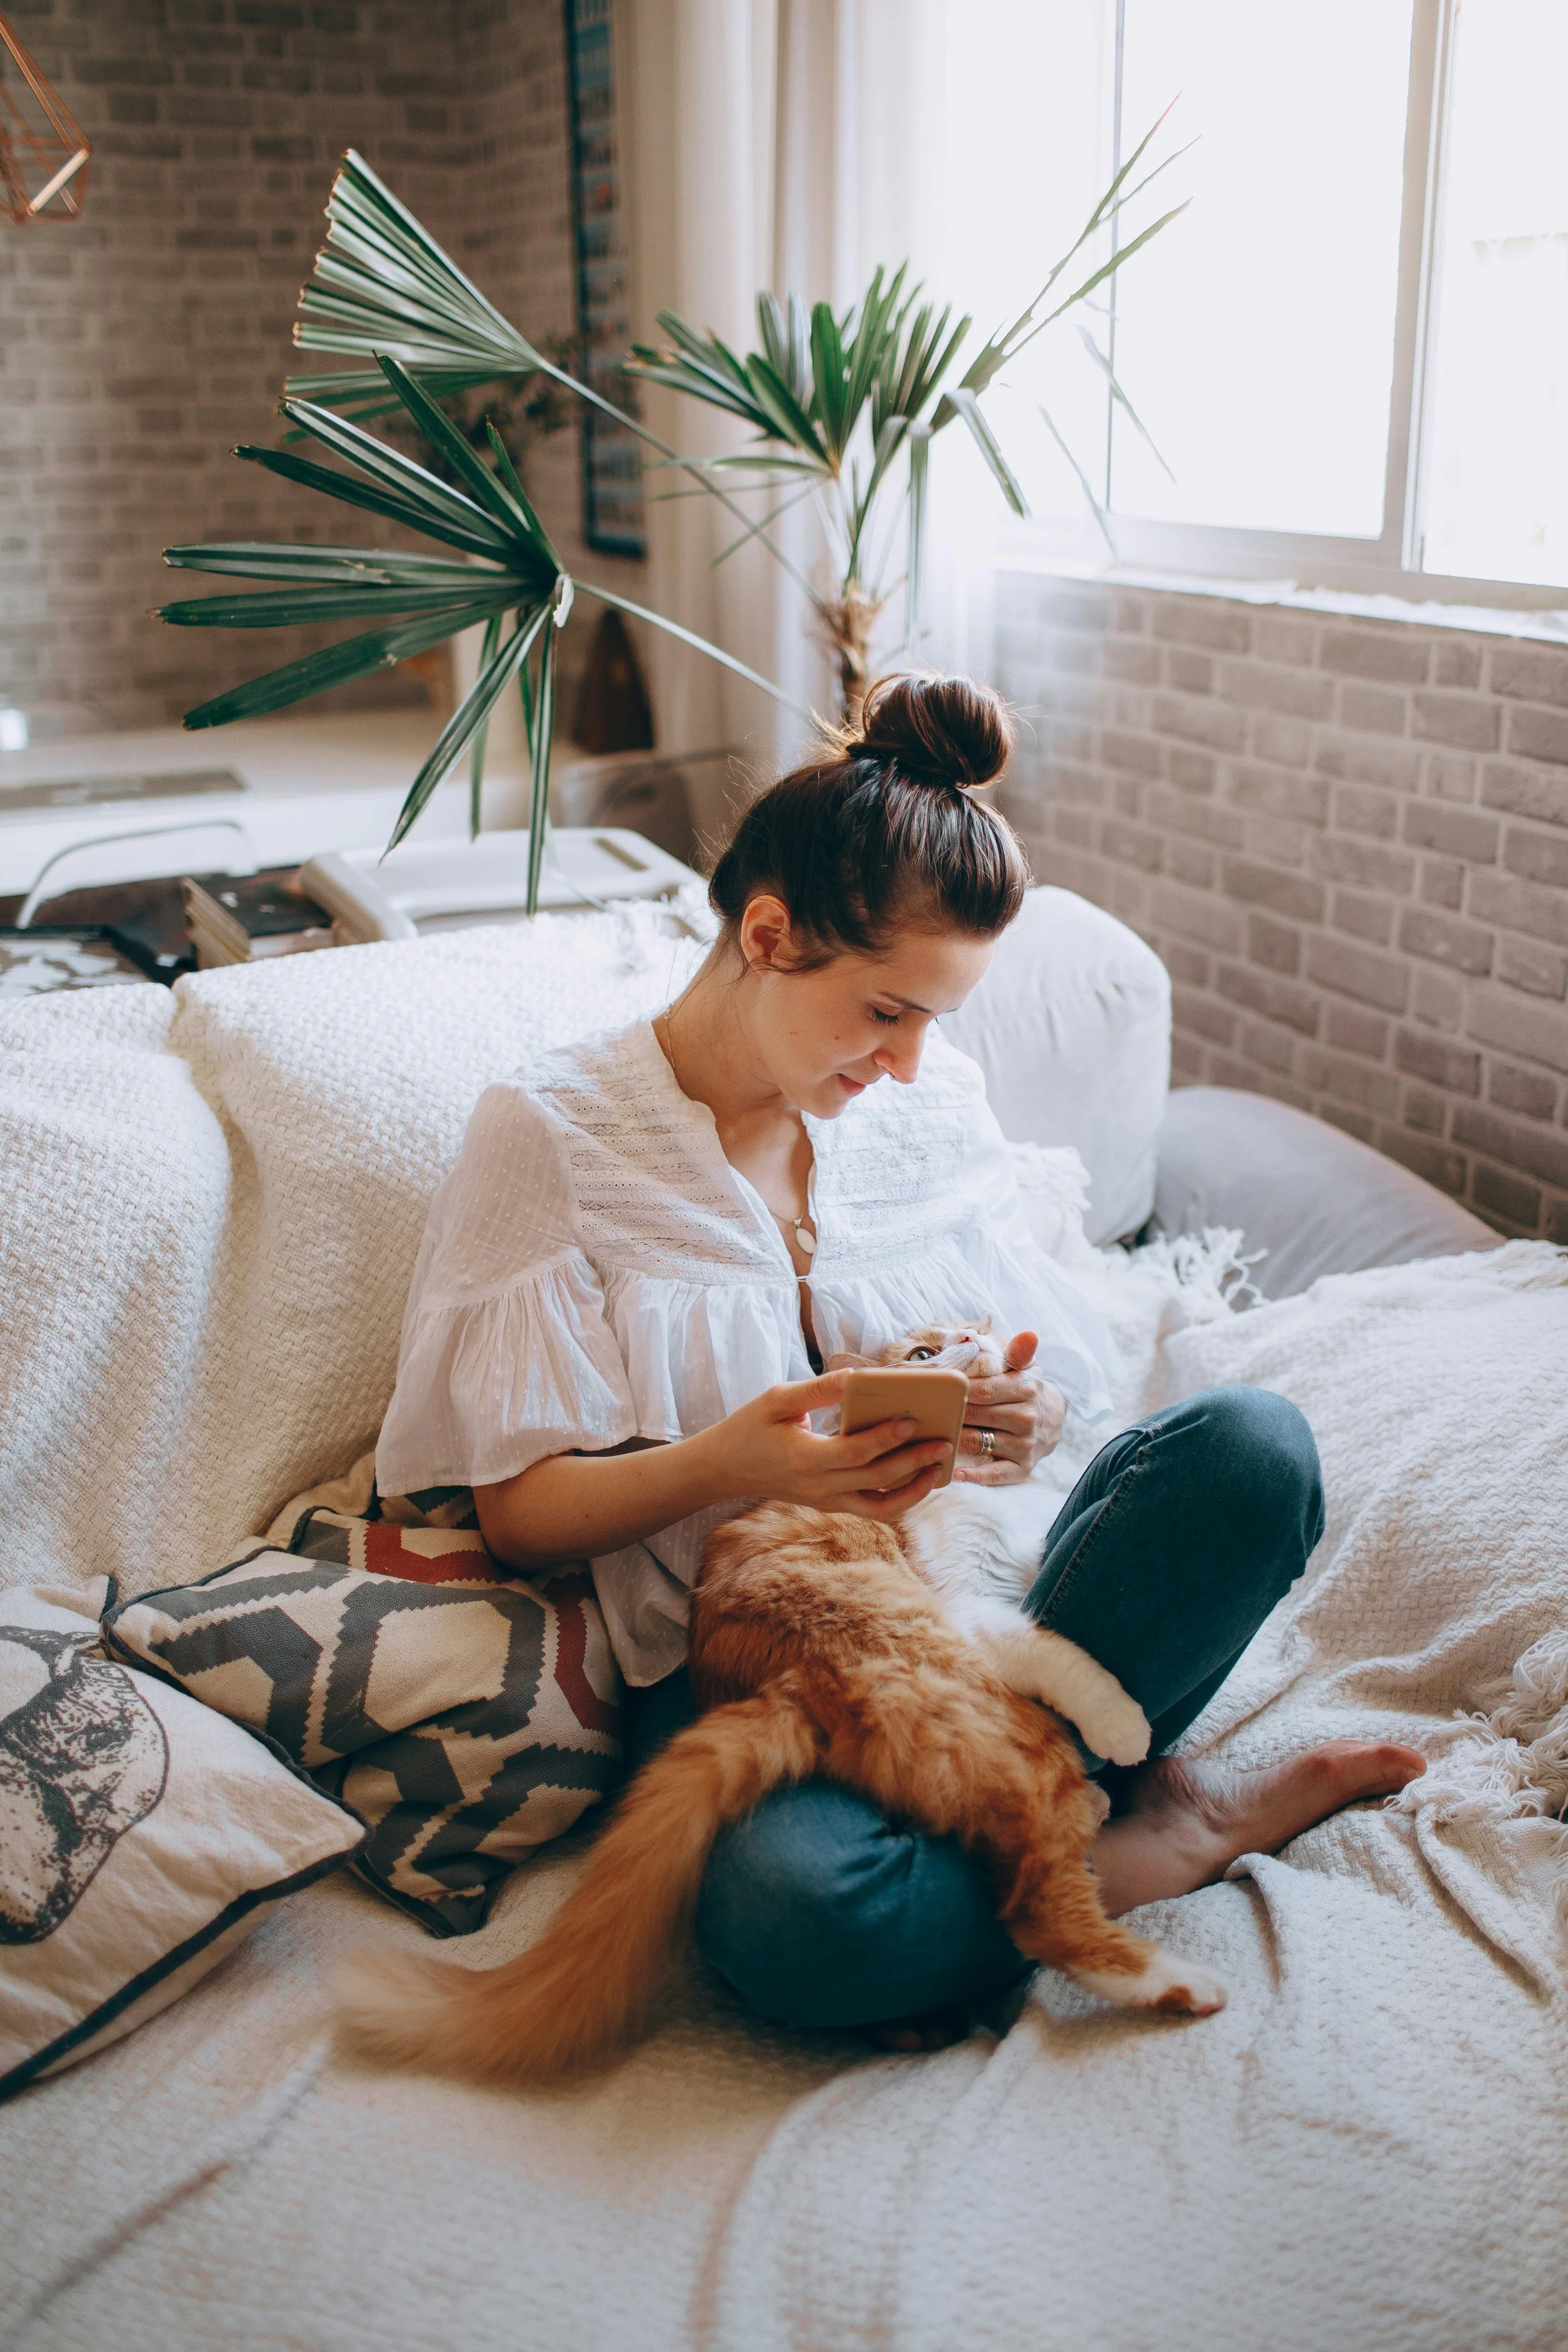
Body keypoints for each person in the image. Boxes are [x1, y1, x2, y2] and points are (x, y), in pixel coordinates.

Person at [376, 672, 1424, 2049]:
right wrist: (728, 1466)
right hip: (766, 1669)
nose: (912, 1064)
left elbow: (1050, 1405)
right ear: (767, 935)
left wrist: (1011, 1413)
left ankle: (1045, 1807)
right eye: (884, 1011)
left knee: (1252, 1449)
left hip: (994, 1595)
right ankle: (1128, 1829)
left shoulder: (927, 1114)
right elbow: (516, 1510)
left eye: (936, 1019)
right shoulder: (556, 1138)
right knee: (797, 1924)